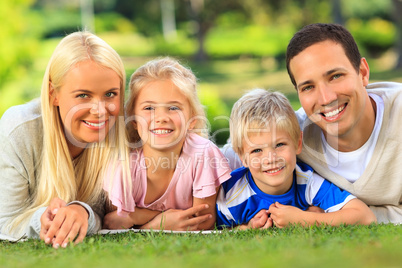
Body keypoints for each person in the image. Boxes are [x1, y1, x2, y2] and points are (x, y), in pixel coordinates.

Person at [0, 31, 128, 248]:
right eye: (83, 95)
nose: (100, 111)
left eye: (110, 94)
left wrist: (83, 213)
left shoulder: (123, 130)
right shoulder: (19, 130)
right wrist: (42, 220)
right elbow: (5, 221)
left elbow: (106, 211)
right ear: (53, 94)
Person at [285, 23, 402, 224]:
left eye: (336, 76)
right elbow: (232, 154)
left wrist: (337, 217)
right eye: (308, 87)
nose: (325, 98)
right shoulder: (289, 137)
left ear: (363, 73)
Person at [216, 89, 376, 229]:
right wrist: (246, 228)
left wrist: (305, 219)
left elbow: (365, 216)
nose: (270, 158)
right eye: (257, 150)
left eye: (279, 145)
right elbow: (210, 229)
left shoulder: (306, 182)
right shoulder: (232, 195)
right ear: (242, 157)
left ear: (297, 143)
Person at [103, 57, 231, 231]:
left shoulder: (202, 153)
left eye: (173, 108)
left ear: (192, 119)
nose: (162, 117)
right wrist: (162, 221)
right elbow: (114, 222)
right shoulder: (123, 165)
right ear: (133, 119)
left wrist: (140, 219)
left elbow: (203, 221)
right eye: (149, 108)